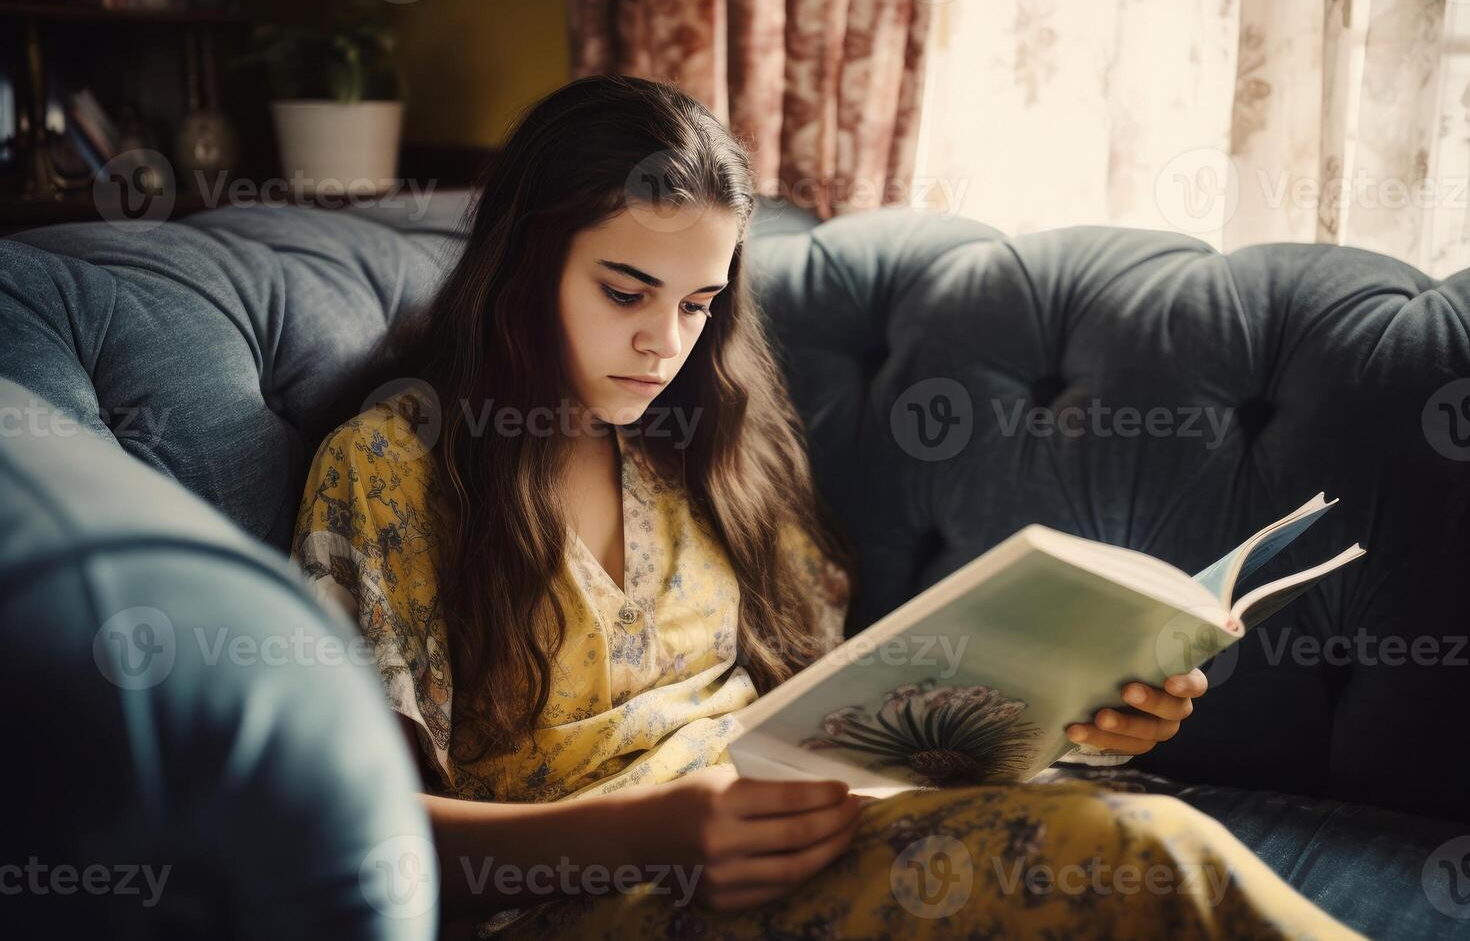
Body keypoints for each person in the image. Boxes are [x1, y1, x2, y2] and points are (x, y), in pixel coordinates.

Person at [291, 73, 1360, 939]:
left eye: (700, 303)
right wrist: (648, 832)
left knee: (1138, 824)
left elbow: (836, 707)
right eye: (625, 292)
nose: (667, 343)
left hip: (809, 832)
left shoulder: (699, 444)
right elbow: (353, 831)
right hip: (591, 896)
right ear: (522, 264)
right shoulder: (395, 469)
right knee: (1148, 857)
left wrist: (1079, 708)